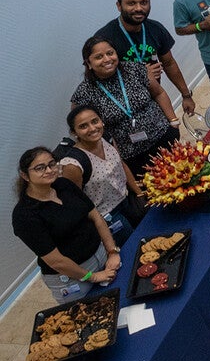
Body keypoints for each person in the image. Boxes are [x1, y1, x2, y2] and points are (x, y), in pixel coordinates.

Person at [12, 147, 121, 304]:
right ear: (25, 175)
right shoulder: (24, 216)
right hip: (72, 278)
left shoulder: (64, 184)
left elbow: (96, 216)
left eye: (52, 164)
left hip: (102, 255)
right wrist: (92, 276)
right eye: (40, 168)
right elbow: (56, 261)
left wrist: (112, 251)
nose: (49, 170)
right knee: (92, 316)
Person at [71, 35, 176, 173]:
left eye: (110, 53)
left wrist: (173, 122)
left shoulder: (136, 69)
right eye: (99, 57)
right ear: (88, 63)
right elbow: (80, 130)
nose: (107, 59)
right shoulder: (83, 94)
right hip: (130, 156)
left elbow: (159, 93)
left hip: (163, 136)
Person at [96, 0, 195, 119]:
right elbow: (101, 80)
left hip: (155, 98)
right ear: (119, 6)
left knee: (172, 136)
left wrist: (186, 95)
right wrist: (141, 73)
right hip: (124, 109)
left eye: (144, 2)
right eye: (131, 3)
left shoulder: (155, 29)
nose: (138, 8)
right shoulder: (104, 39)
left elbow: (169, 63)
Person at [57, 106, 143, 243]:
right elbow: (75, 202)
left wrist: (139, 193)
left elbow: (121, 164)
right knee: (133, 246)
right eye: (83, 126)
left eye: (95, 121)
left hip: (127, 201)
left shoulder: (106, 138)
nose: (92, 128)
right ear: (74, 132)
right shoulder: (73, 164)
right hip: (108, 216)